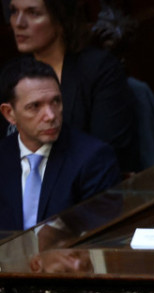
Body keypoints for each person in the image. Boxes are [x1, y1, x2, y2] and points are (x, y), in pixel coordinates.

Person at [8, 0, 139, 173]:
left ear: (60, 19)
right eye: (14, 11)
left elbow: (108, 154)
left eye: (33, 13)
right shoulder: (13, 78)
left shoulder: (98, 69)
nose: (19, 23)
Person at [0, 57, 120, 231]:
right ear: (9, 113)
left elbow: (102, 235)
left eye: (55, 101)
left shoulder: (93, 158)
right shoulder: (3, 156)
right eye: (35, 106)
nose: (50, 115)